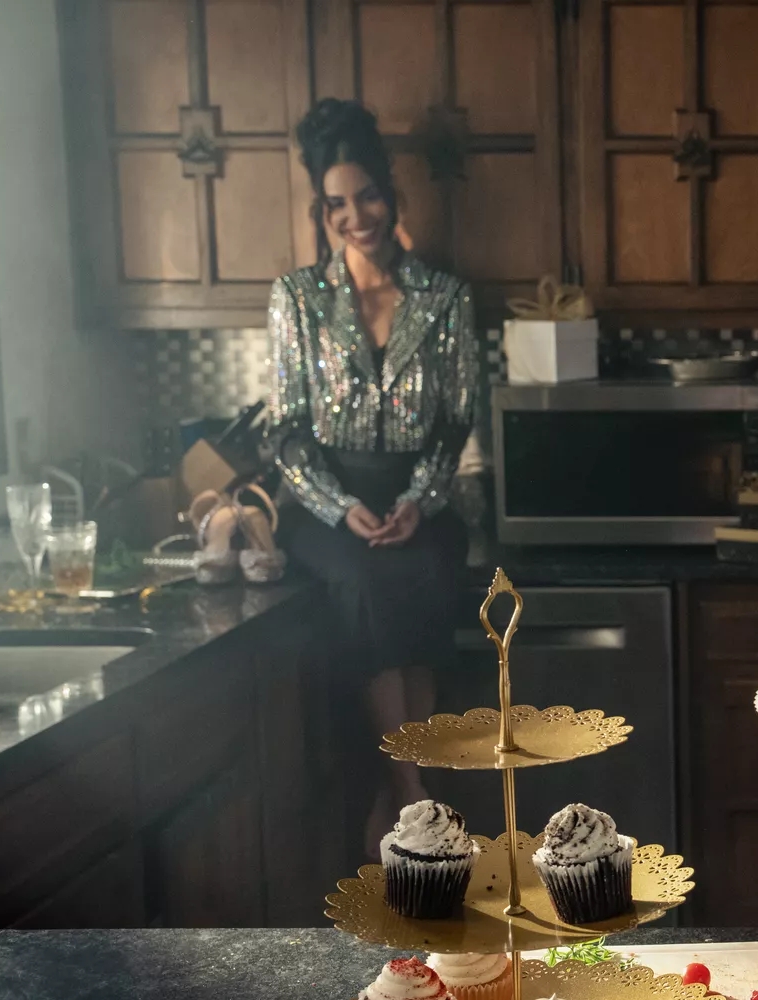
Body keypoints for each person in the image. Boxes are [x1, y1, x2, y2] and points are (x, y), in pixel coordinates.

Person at [268, 98, 480, 852]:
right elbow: (286, 431)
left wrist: (421, 501)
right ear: (321, 211)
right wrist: (340, 505)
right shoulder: (296, 299)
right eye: (336, 203)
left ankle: (403, 798)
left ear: (390, 194)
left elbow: (456, 420)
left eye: (365, 196)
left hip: (418, 499)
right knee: (363, 579)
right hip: (329, 507)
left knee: (423, 571)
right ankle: (410, 790)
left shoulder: (446, 300)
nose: (354, 215)